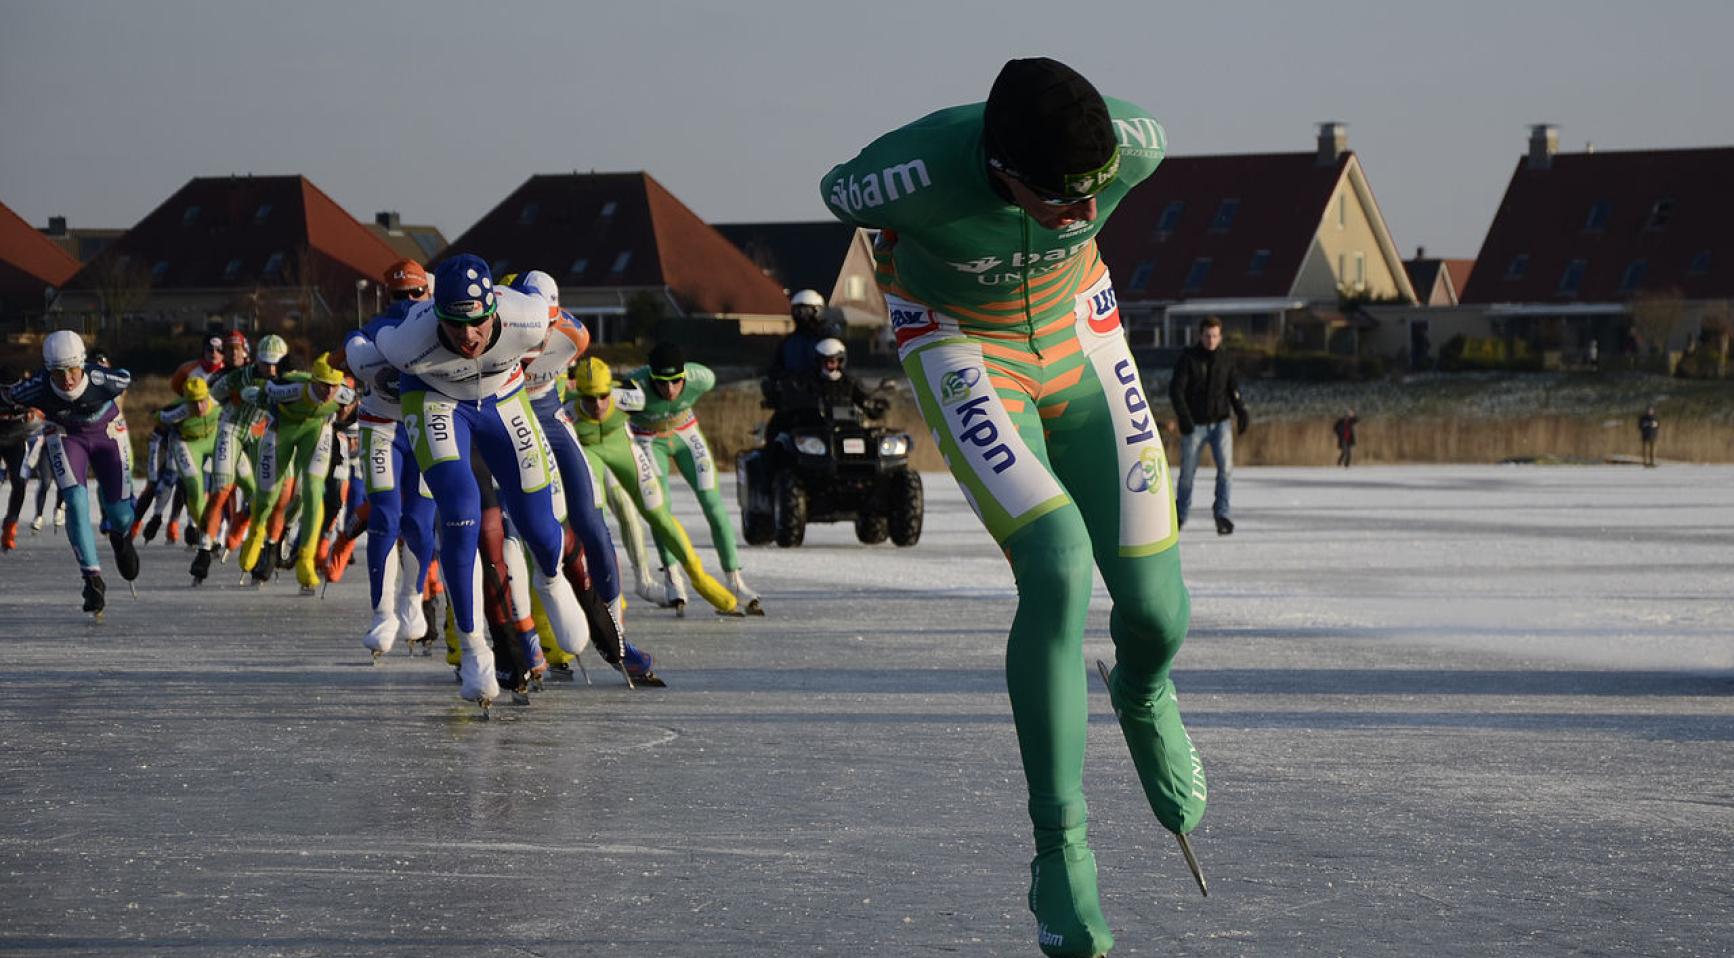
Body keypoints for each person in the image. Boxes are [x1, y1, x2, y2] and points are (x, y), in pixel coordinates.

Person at [822, 57, 1206, 957]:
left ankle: (1144, 693)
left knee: (1156, 610)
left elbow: (1096, 176)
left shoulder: (1136, 143)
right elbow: (841, 191)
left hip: (1082, 336)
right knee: (1059, 566)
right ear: (998, 167)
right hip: (964, 348)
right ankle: (1060, 850)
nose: (1080, 215)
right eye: (1059, 200)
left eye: (1092, 197)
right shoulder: (906, 175)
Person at [356, 254, 592, 713]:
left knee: (540, 523)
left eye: (478, 324)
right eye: (454, 326)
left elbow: (567, 326)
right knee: (461, 513)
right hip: (436, 402)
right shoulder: (408, 342)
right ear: (436, 315)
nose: (468, 337)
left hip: (504, 396)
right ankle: (474, 649)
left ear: (494, 311)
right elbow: (367, 346)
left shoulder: (526, 314)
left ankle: (551, 579)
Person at [567, 356, 743, 618]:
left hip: (622, 447)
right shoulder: (565, 406)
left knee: (659, 512)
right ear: (578, 392)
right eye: (589, 398)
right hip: (587, 451)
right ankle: (609, 589)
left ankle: (700, 578)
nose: (598, 405)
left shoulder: (630, 396)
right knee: (594, 519)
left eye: (604, 396)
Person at [330, 259, 437, 655]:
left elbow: (333, 360)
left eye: (411, 296)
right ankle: (388, 610)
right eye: (401, 297)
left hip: (415, 427)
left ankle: (404, 603)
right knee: (395, 519)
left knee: (408, 521)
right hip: (389, 429)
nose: (407, 303)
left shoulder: (375, 327)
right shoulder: (420, 323)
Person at [0, 331, 140, 617]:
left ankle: (119, 534)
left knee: (122, 514)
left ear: (82, 364)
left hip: (107, 432)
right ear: (48, 370)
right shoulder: (35, 387)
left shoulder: (106, 379)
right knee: (75, 501)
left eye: (73, 370)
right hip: (66, 435)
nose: (67, 378)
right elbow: (8, 395)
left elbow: (125, 376)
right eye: (58, 372)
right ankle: (92, 579)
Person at [623, 342, 763, 614]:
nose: (670, 390)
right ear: (651, 378)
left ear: (685, 375)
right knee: (660, 509)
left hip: (685, 433)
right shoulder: (633, 387)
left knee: (713, 504)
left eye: (676, 382)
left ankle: (734, 579)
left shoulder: (703, 378)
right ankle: (672, 577)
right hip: (649, 439)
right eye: (662, 384)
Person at [189, 332, 282, 580]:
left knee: (263, 495)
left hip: (258, 433)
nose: (271, 369)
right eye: (265, 363)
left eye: (276, 364)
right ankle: (205, 549)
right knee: (221, 489)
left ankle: (258, 546)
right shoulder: (236, 376)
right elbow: (210, 397)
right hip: (231, 430)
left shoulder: (281, 377)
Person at [1168, 317, 1248, 535]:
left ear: (1220, 337)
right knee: (1187, 474)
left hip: (1221, 423)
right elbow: (1176, 390)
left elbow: (1233, 389)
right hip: (1194, 425)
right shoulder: (1188, 359)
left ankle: (1222, 514)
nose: (1211, 340)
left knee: (1226, 471)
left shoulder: (1226, 359)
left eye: (1214, 336)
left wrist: (1241, 411)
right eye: (1207, 336)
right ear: (1200, 336)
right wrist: (1184, 417)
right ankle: (1180, 514)